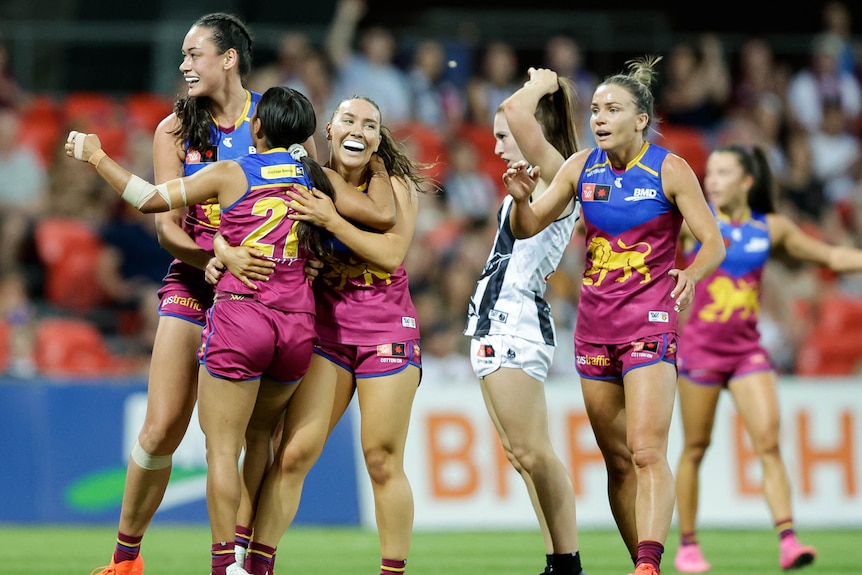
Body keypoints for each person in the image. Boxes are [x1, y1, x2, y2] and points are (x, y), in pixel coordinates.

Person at [66, 85, 396, 575]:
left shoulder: (232, 171)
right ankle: (250, 554)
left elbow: (150, 199)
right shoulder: (315, 176)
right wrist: (380, 167)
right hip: (298, 329)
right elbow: (380, 217)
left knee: (222, 448)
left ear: (257, 128)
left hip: (243, 316)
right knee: (261, 439)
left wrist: (97, 157)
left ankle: (225, 566)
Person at [501, 56, 726, 575]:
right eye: (596, 109)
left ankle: (647, 564)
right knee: (618, 461)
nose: (599, 118)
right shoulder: (582, 166)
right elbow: (532, 223)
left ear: (640, 118)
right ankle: (642, 561)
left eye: (613, 109)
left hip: (650, 322)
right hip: (594, 329)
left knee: (646, 450)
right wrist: (518, 201)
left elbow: (713, 241)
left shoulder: (669, 169)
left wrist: (690, 273)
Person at [213, 95, 430, 575]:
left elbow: (391, 254)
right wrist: (220, 248)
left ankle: (392, 572)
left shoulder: (395, 187)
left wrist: (331, 222)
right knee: (293, 454)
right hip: (326, 331)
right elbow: (240, 220)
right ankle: (256, 565)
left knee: (381, 458)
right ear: (328, 130)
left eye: (370, 124)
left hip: (387, 331)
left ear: (377, 139)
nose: (359, 129)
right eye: (349, 119)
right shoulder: (299, 177)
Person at [86, 13, 263, 575]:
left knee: (250, 440)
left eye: (195, 54)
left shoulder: (272, 118)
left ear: (229, 57)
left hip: (261, 289)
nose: (184, 65)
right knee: (163, 425)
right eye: (183, 56)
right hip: (195, 278)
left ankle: (247, 560)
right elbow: (166, 225)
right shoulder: (174, 129)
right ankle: (125, 559)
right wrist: (209, 259)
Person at [672, 144, 862, 572]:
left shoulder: (770, 229)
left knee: (769, 443)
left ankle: (788, 540)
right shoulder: (694, 225)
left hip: (746, 352)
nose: (711, 180)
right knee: (695, 448)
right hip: (699, 351)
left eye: (722, 173)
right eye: (710, 173)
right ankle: (687, 544)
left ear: (747, 182)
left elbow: (830, 256)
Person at [464, 66, 585, 575]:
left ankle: (569, 562)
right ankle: (556, 560)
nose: (496, 146)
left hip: (516, 321)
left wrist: (542, 83)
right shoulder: (535, 180)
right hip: (494, 320)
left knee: (535, 452)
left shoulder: (560, 169)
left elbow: (516, 109)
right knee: (521, 456)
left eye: (501, 137)